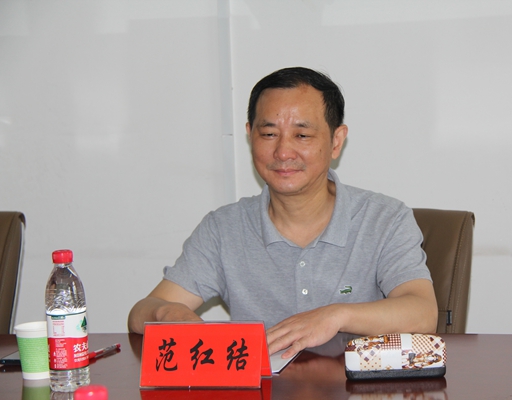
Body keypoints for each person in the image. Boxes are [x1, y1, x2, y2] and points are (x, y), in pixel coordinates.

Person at [128, 67, 438, 359]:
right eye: (268, 134)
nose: (283, 152)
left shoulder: (385, 219)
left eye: (302, 135)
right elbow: (142, 312)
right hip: (263, 387)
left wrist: (335, 316)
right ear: (250, 136)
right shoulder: (223, 228)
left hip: (353, 386)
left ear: (336, 141)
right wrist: (167, 313)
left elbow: (423, 313)